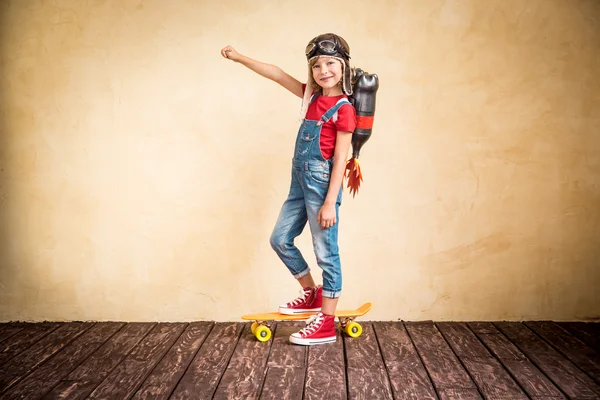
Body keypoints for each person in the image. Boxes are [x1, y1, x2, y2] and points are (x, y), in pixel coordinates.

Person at [221, 33, 357, 345]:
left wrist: (330, 202)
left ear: (344, 66)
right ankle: (311, 293)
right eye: (317, 65)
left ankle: (326, 320)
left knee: (326, 252)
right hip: (299, 182)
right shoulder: (311, 97)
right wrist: (240, 57)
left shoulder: (343, 108)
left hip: (322, 186)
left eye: (330, 63)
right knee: (280, 239)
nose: (323, 70)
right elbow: (278, 74)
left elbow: (340, 160)